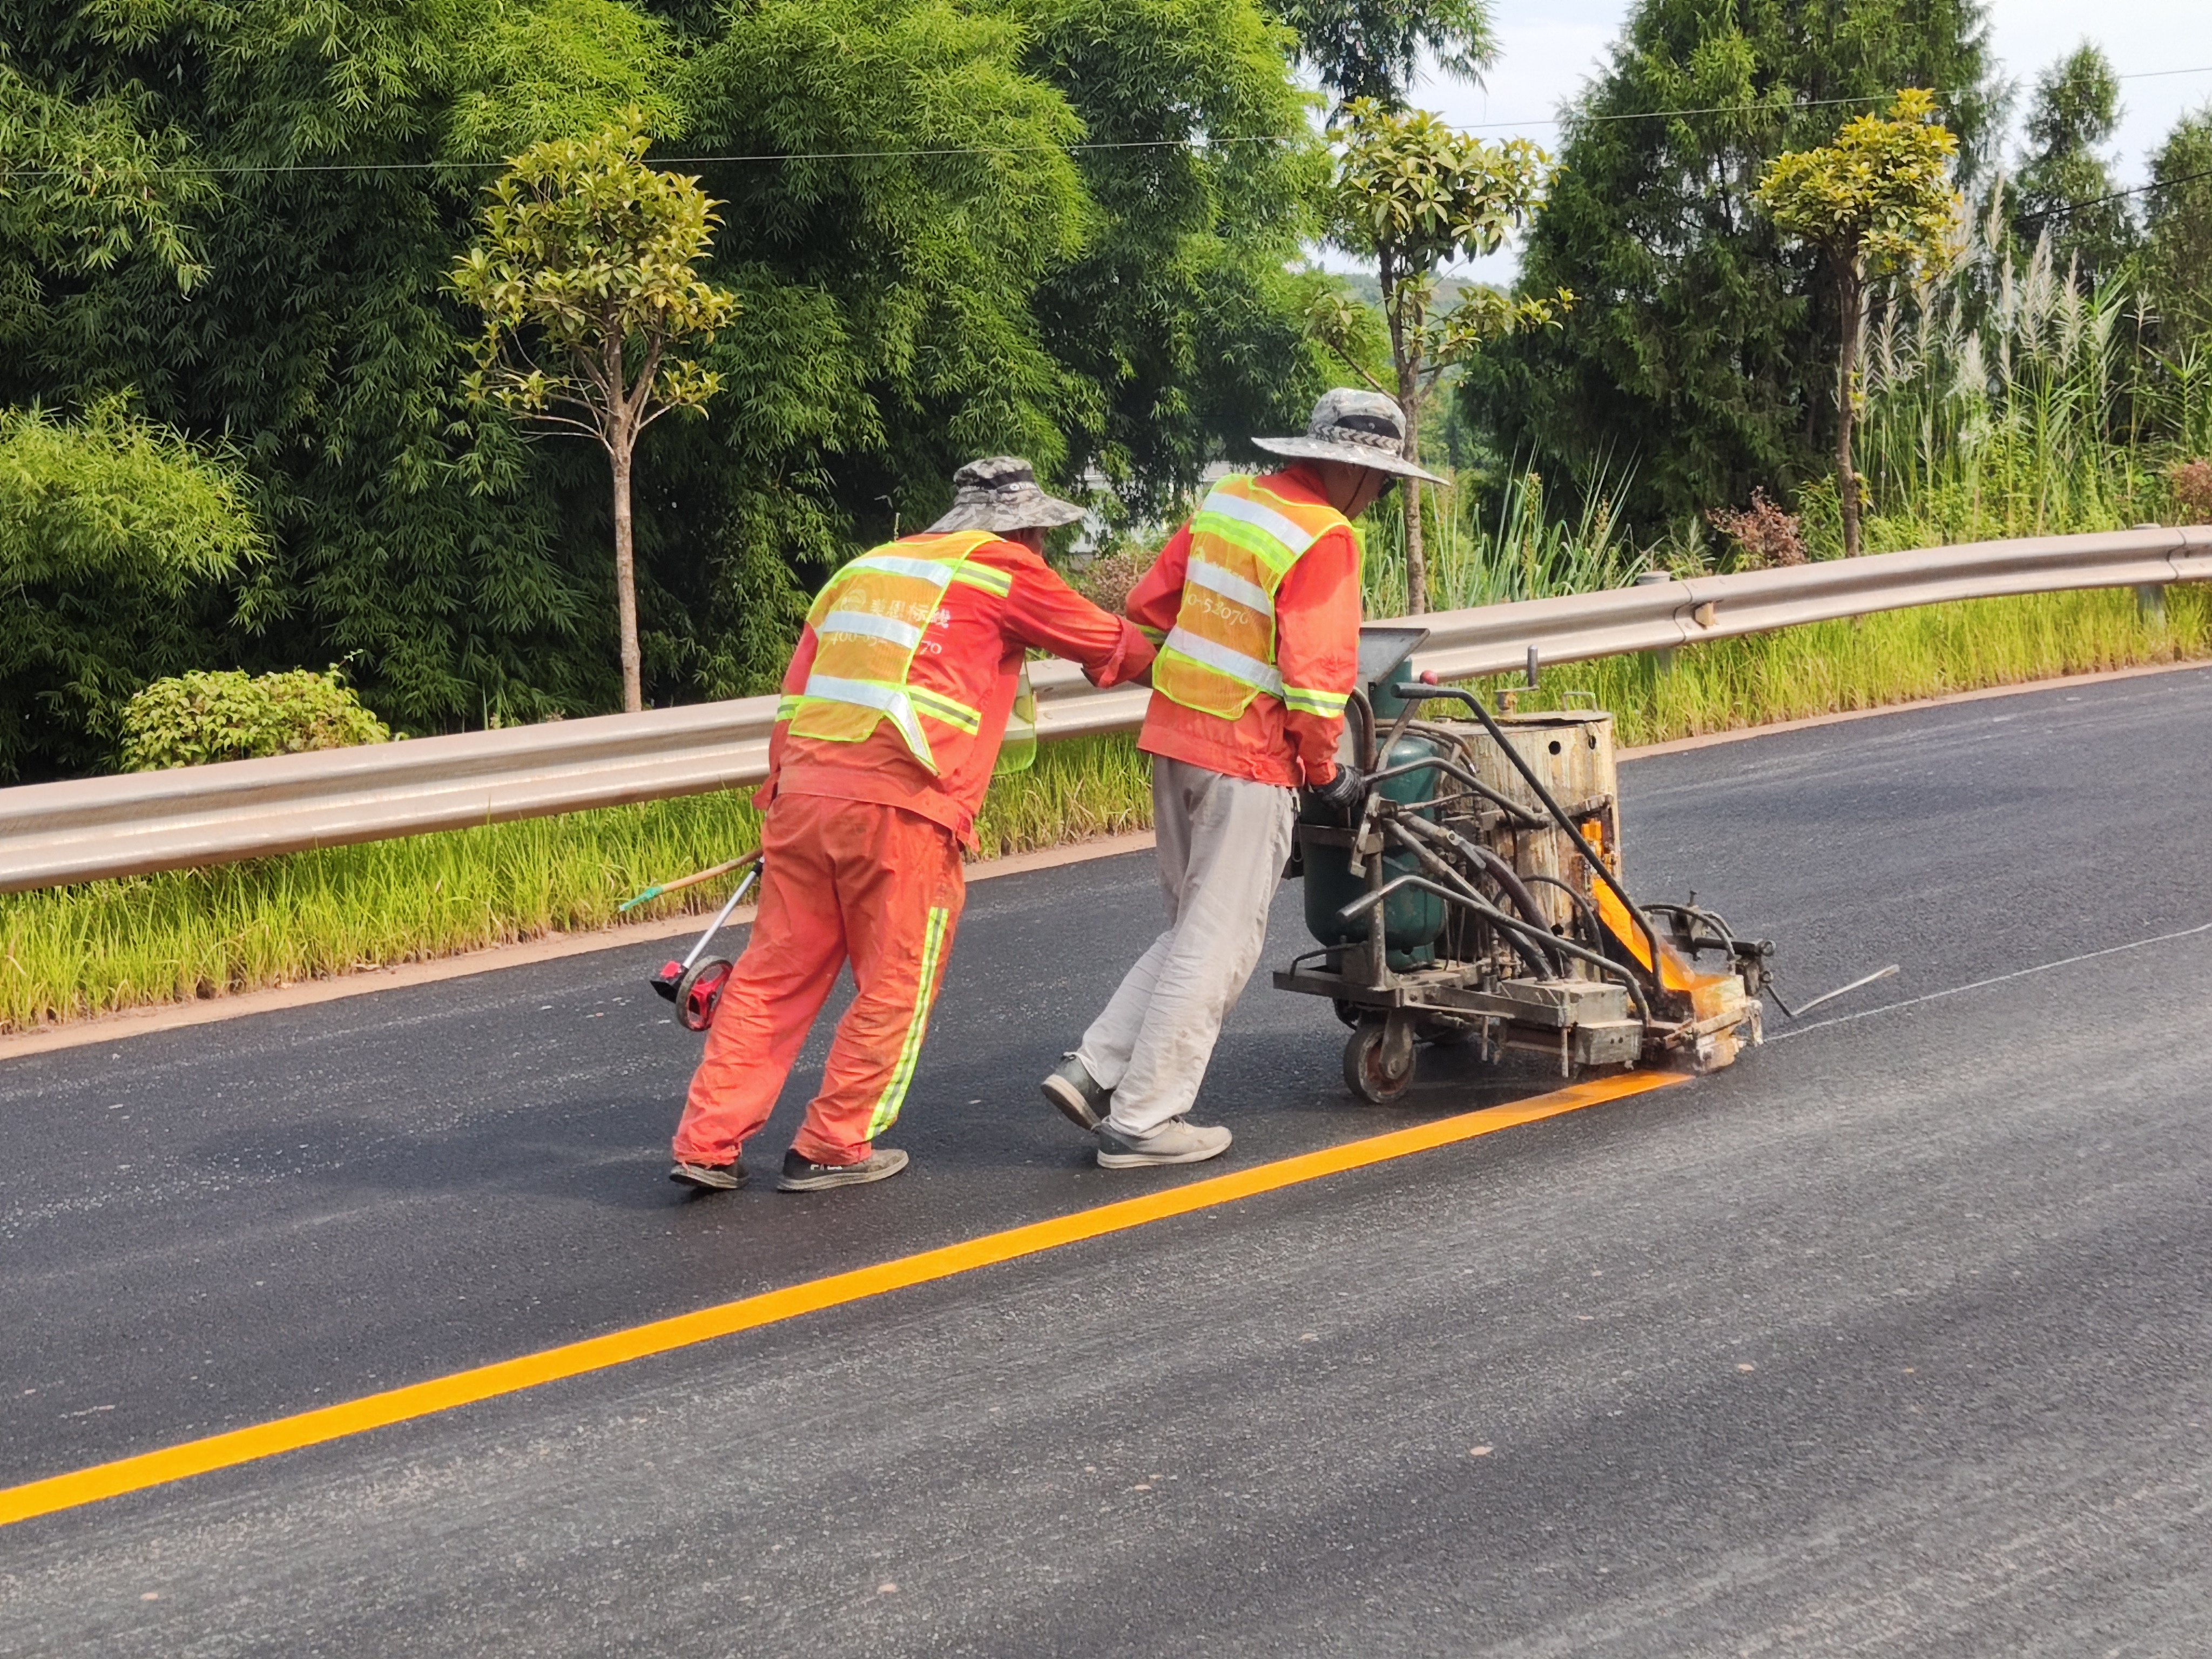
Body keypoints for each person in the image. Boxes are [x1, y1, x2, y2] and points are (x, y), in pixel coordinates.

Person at [670, 457, 1154, 1194]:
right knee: (895, 981)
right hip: (903, 808)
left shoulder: (861, 572)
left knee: (771, 980)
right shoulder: (1004, 570)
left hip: (801, 797)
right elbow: (1110, 642)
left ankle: (707, 1144)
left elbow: (796, 697)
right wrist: (1189, 664)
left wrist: (782, 804)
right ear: (1024, 527)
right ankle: (833, 1144)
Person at [1038, 389, 1444, 1169]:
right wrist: (1327, 775)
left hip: (1175, 741)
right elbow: (1319, 676)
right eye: (1385, 480)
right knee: (1219, 943)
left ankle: (1094, 1070)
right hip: (1247, 757)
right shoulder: (1325, 536)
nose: (1384, 495)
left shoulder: (1231, 501)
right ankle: (1145, 1123)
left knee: (1194, 927)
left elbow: (1147, 605)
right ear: (1351, 471)